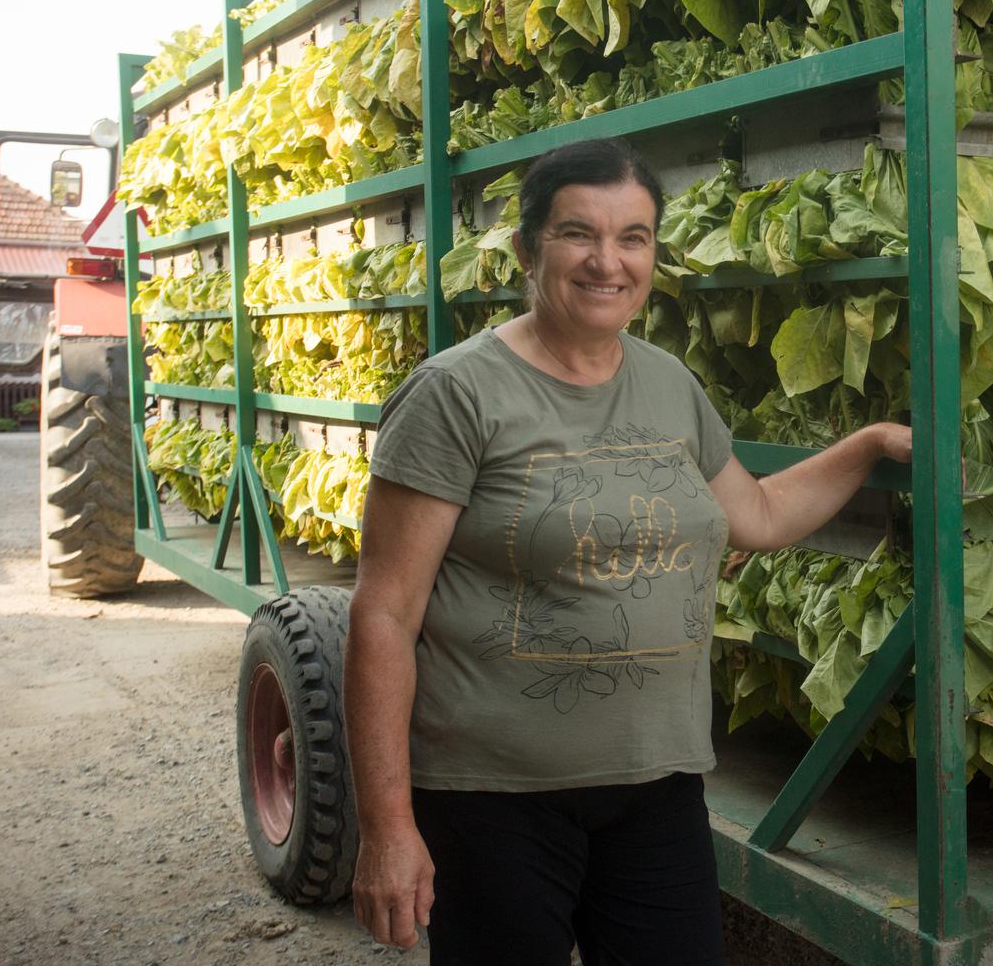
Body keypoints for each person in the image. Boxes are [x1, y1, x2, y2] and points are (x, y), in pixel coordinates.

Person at [344, 138, 910, 965]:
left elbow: (756, 515)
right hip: (493, 798)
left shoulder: (668, 383)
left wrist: (869, 444)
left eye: (632, 238)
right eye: (578, 234)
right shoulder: (457, 394)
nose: (607, 262)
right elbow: (384, 616)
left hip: (657, 787)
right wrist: (386, 826)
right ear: (526, 249)